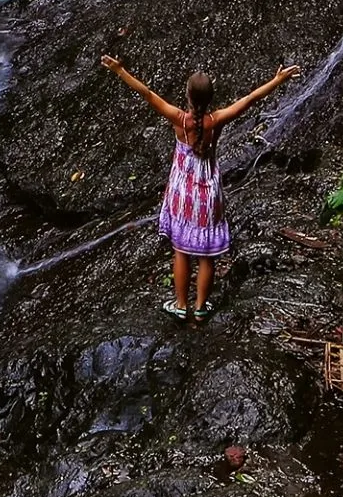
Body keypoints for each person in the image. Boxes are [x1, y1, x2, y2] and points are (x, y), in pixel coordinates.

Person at [100, 54, 300, 322]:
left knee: (181, 250)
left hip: (183, 191)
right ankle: (202, 306)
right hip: (209, 192)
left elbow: (146, 93)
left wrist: (120, 70)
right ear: (210, 98)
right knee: (207, 254)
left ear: (188, 95)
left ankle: (181, 305)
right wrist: (277, 80)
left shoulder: (179, 119)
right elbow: (250, 100)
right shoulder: (216, 120)